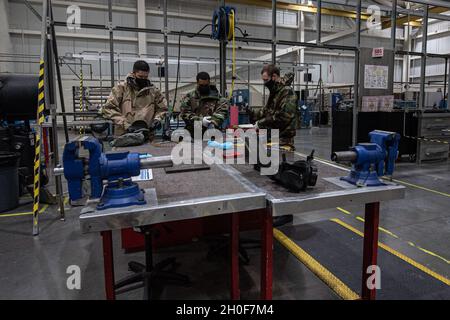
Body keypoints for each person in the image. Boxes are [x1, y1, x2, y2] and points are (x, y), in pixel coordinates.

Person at [101, 60, 168, 140]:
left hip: (146, 135)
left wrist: (157, 119)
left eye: (145, 77)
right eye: (140, 77)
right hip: (124, 135)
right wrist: (126, 125)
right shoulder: (121, 89)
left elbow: (163, 108)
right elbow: (108, 108)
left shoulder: (153, 91)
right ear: (133, 73)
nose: (143, 79)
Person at [251, 64, 297, 151]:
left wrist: (260, 123)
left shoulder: (287, 92)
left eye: (266, 80)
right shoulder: (276, 92)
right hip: (272, 138)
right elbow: (268, 111)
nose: (265, 83)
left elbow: (284, 117)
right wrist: (253, 113)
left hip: (283, 141)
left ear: (274, 76)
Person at [180, 72, 229, 138]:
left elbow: (222, 112)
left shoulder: (218, 97)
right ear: (197, 83)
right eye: (201, 85)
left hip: (212, 133)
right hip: (192, 134)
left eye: (205, 85)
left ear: (209, 82)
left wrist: (212, 122)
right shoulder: (189, 97)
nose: (203, 87)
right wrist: (200, 121)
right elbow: (185, 113)